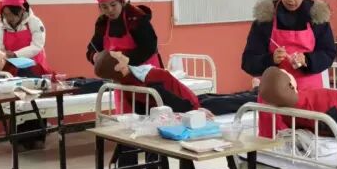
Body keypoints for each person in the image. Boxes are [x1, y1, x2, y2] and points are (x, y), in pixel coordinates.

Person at [242, 0, 336, 169]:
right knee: (273, 152)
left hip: (306, 95)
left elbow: (329, 53)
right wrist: (269, 60)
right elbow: (248, 60)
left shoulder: (317, 18)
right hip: (273, 97)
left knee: (304, 148)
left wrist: (308, 60)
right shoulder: (265, 20)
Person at [86, 0, 160, 169]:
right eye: (104, 6)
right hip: (122, 81)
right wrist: (95, 58)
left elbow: (149, 47)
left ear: (122, 2)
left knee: (152, 122)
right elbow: (91, 48)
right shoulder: (103, 23)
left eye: (113, 5)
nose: (109, 10)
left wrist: (126, 59)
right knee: (127, 125)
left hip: (146, 77)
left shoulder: (137, 19)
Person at [93, 50, 256, 116]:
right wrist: (195, 111)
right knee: (239, 102)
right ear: (118, 67)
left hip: (193, 100)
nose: (120, 53)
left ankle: (255, 91)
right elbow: (170, 100)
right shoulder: (144, 81)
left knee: (231, 97)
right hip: (193, 106)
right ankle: (259, 95)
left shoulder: (131, 80)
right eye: (117, 55)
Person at [0, 0, 49, 75]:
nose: (9, 18)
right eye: (5, 14)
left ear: (21, 11)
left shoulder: (34, 22)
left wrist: (16, 54)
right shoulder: (1, 26)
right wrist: (1, 55)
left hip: (34, 66)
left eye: (12, 14)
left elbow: (37, 46)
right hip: (12, 67)